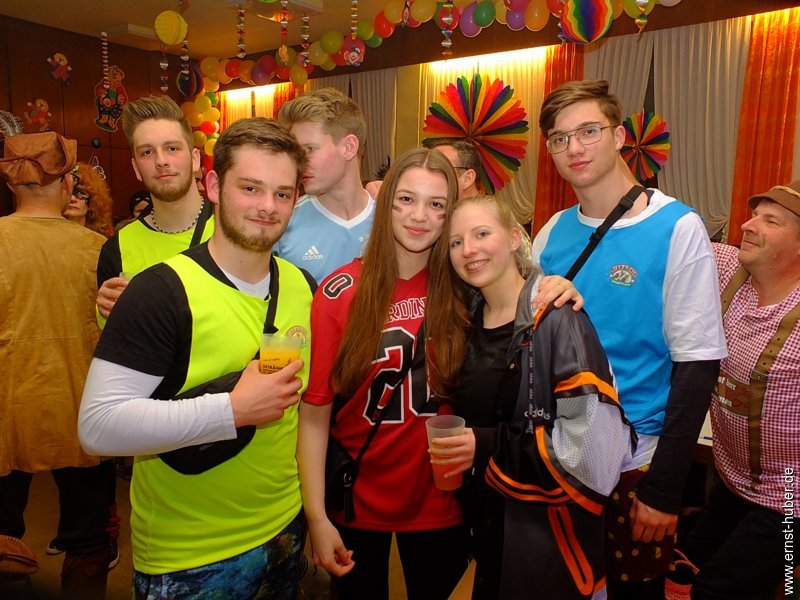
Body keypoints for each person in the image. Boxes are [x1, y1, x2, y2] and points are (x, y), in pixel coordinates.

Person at [78, 117, 314, 599]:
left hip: (284, 527)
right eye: (250, 188)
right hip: (191, 555)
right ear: (214, 186)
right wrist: (232, 409)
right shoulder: (160, 292)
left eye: (283, 193)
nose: (267, 206)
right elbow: (98, 425)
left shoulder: (300, 285)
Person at [531, 80, 727, 599]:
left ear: (619, 136)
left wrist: (664, 488)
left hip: (638, 460)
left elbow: (698, 366)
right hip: (563, 454)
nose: (574, 148)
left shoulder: (677, 227)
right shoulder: (550, 233)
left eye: (588, 131)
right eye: (559, 139)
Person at [427, 194, 634, 599]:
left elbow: (594, 454)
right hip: (492, 528)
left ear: (513, 238)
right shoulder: (467, 321)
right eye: (455, 242)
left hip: (547, 543)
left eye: (481, 234)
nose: (468, 250)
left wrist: (485, 444)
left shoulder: (557, 319)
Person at [297, 147, 468, 599]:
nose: (419, 216)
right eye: (406, 199)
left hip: (442, 500)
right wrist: (316, 517)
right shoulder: (340, 292)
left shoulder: (467, 290)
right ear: (386, 202)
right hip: (356, 497)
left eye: (436, 204)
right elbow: (314, 414)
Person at [667, 180, 800, 600]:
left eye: (771, 221)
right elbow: (664, 230)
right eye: (754, 214)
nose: (747, 225)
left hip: (790, 501)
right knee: (679, 572)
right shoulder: (728, 269)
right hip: (731, 479)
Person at [0, 131, 115, 599]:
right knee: (89, 540)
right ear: (67, 182)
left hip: (7, 414)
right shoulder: (98, 250)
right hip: (82, 411)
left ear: (10, 182)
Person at [95, 95, 213, 322]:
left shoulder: (233, 230)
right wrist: (104, 311)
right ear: (136, 168)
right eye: (147, 152)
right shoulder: (116, 249)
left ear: (195, 159)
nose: (161, 161)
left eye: (172, 148)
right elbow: (120, 337)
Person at [276, 87, 375, 283]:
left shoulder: (393, 219)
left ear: (349, 147)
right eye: (297, 152)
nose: (300, 162)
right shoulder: (283, 222)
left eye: (310, 149)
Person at [63, 161, 114, 237]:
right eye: (67, 192)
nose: (72, 198)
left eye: (81, 193)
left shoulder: (100, 240)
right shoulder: (48, 236)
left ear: (93, 200)